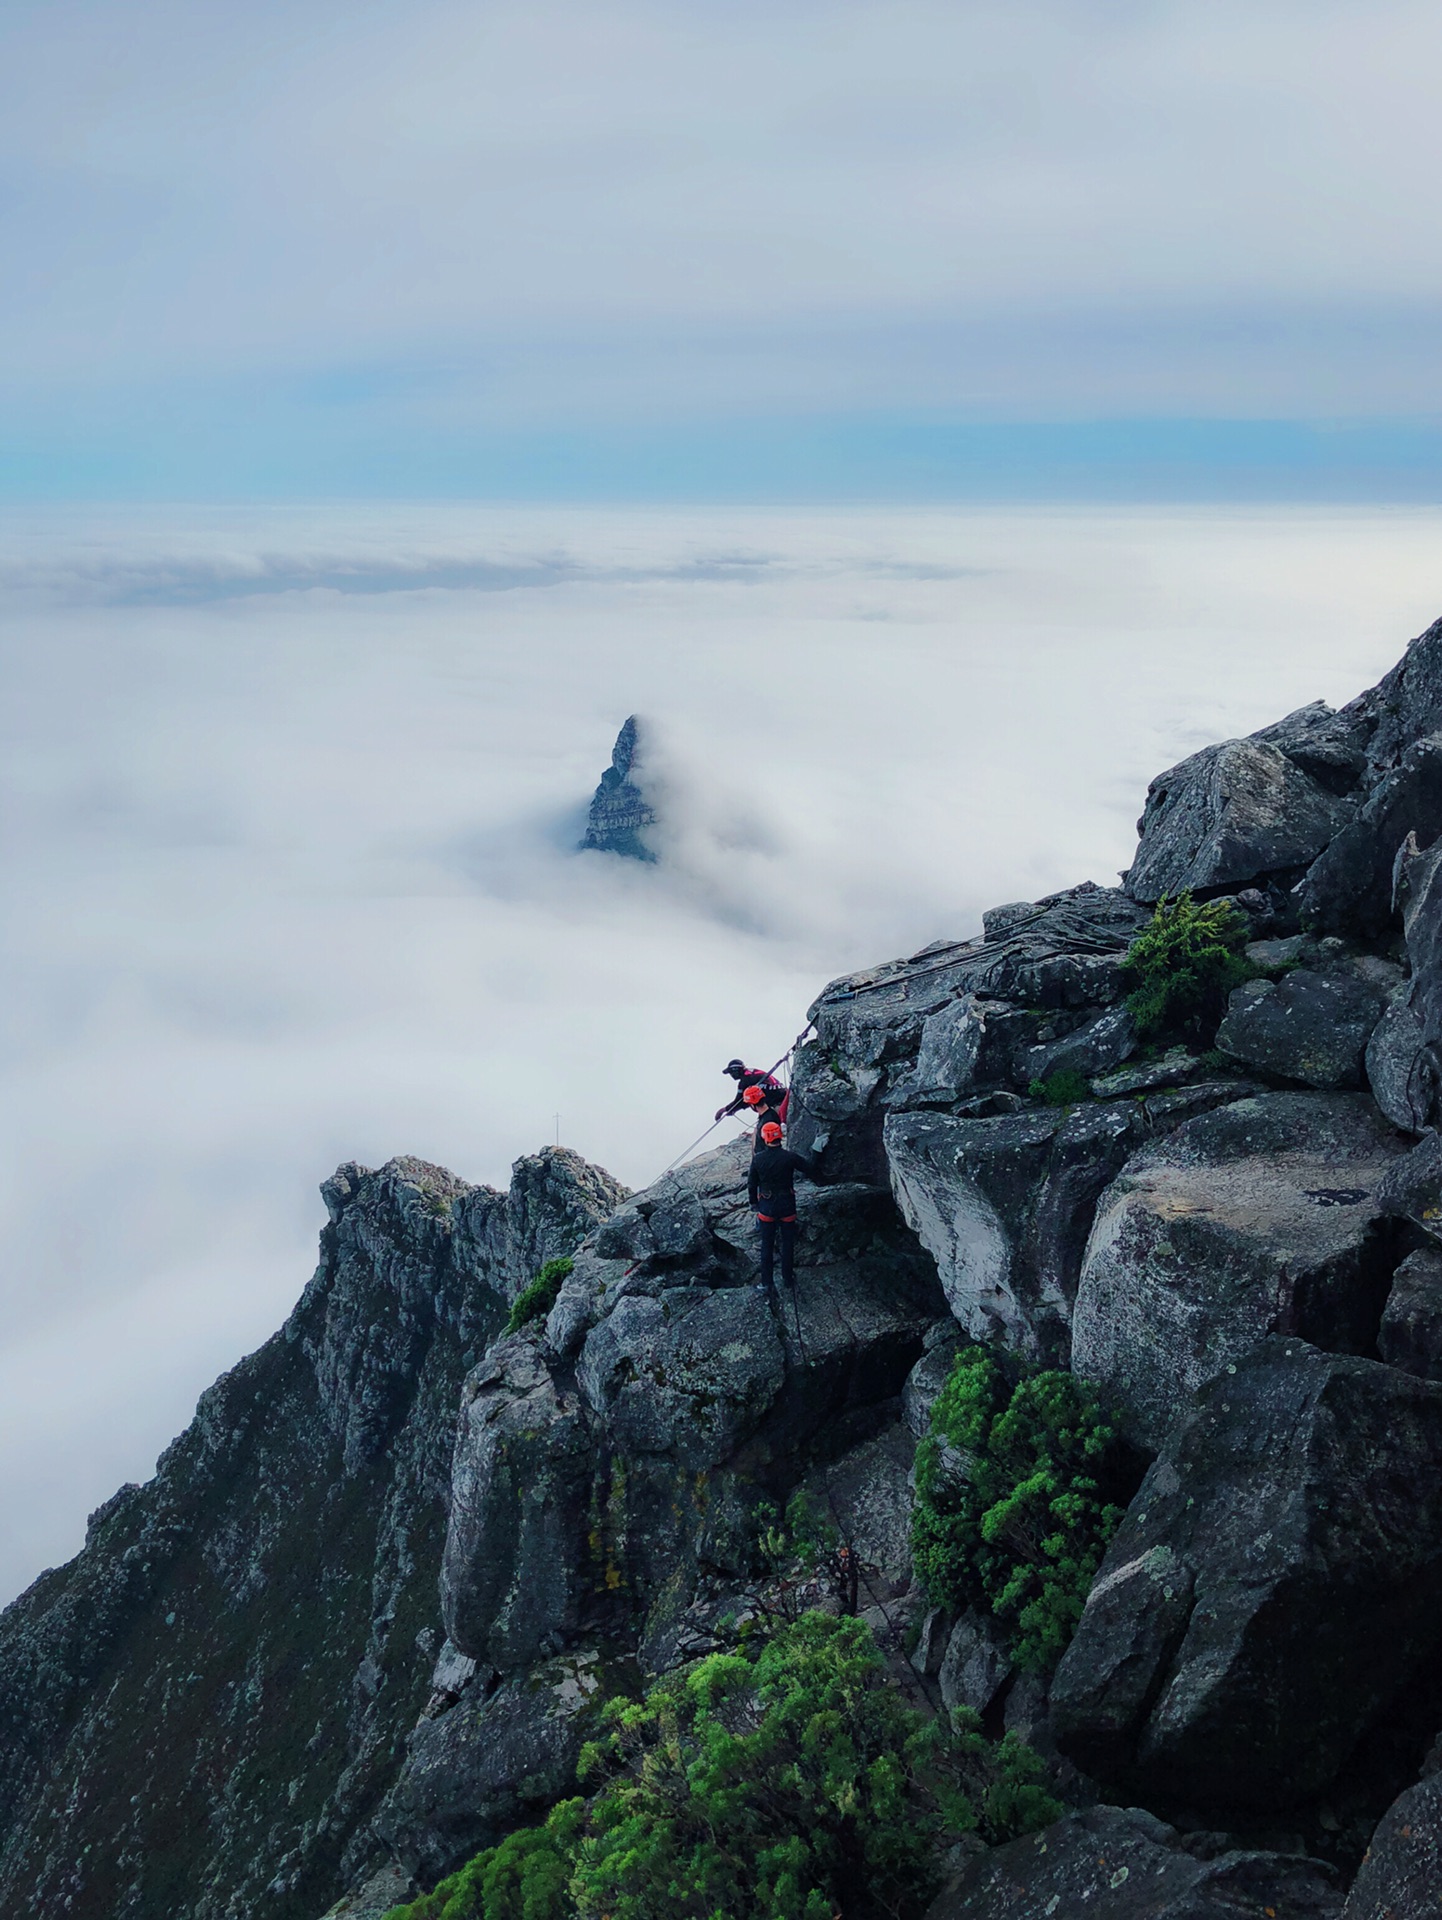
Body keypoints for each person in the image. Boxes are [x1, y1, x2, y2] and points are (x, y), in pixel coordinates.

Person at [748, 1119, 817, 1289]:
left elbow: (752, 1184)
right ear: (780, 1137)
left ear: (765, 1138)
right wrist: (817, 1150)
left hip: (767, 1206)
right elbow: (810, 1168)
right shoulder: (790, 1157)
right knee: (787, 1243)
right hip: (787, 1205)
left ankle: (766, 1283)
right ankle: (787, 1279)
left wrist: (754, 1203)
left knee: (767, 1245)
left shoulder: (758, 1159)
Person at [716, 1058, 788, 1124]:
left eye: (731, 1072)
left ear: (736, 1071)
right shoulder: (753, 1072)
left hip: (777, 1104)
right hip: (784, 1095)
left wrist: (726, 1109)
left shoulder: (745, 1081)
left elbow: (740, 1101)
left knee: (766, 1127)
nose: (731, 1075)